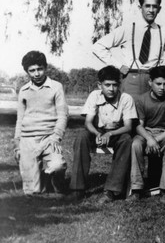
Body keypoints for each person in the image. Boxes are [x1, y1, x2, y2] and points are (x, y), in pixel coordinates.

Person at [92, 0, 165, 99]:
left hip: (155, 80)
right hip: (131, 78)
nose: (151, 10)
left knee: (154, 113)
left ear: (159, 9)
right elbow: (98, 47)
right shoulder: (128, 28)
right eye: (147, 6)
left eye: (154, 7)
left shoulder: (164, 31)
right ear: (140, 7)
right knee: (130, 112)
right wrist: (118, 66)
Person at [68, 66, 136, 203]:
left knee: (127, 140)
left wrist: (110, 134)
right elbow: (87, 122)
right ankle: (77, 189)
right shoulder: (94, 95)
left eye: (115, 85)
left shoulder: (126, 98)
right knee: (81, 137)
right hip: (96, 131)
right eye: (107, 85)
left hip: (117, 132)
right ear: (100, 85)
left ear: (119, 85)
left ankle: (111, 190)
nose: (111, 89)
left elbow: (128, 127)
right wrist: (98, 133)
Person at [14, 51, 68, 196]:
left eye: (40, 69)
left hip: (49, 138)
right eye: (32, 70)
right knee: (33, 192)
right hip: (28, 139)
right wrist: (17, 143)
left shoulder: (56, 87)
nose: (37, 73)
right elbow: (20, 119)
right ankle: (41, 179)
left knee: (58, 166)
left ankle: (55, 183)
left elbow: (63, 115)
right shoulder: (24, 90)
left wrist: (56, 136)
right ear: (27, 72)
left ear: (45, 68)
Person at [129, 66, 165, 203]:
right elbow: (139, 125)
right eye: (158, 84)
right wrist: (149, 139)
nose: (162, 88)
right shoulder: (141, 100)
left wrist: (156, 140)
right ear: (150, 83)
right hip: (145, 133)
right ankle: (136, 188)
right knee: (135, 144)